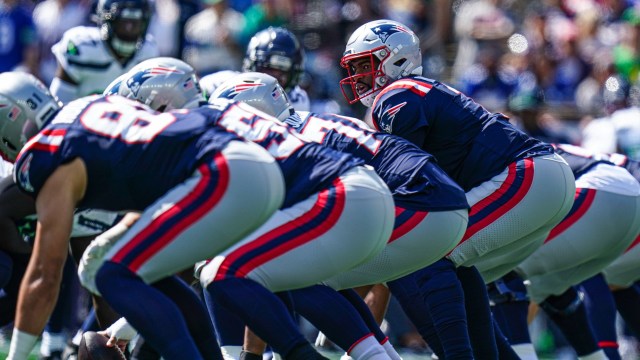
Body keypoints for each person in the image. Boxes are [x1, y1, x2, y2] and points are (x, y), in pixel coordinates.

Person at [94, 58, 396, 360]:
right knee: (245, 266)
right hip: (361, 196)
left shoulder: (195, 133)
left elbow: (187, 254)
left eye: (138, 114)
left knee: (220, 269)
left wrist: (127, 324)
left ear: (160, 105)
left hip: (345, 198)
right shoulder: (216, 120)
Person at [339, 19, 576, 359]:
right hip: (536, 180)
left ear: (397, 59)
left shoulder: (398, 95)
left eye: (366, 64)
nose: (359, 76)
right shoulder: (416, 91)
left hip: (525, 177)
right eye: (355, 67)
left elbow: (400, 183)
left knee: (428, 250)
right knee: (454, 264)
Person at [6, 90, 287, 359]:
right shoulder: (101, 118)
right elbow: (154, 187)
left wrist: (16, 356)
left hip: (221, 172)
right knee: (153, 276)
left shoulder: (52, 152)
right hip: (257, 168)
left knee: (111, 273)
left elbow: (46, 273)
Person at [211, 72, 471, 360]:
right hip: (436, 199)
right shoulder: (317, 122)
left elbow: (276, 262)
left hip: (418, 201)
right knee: (307, 270)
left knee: (291, 268)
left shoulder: (285, 142)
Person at [492, 143, 640, 360]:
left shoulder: (498, 151)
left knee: (500, 271)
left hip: (605, 191)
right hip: (628, 201)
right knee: (552, 286)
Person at [49, 0, 159, 104]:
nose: (129, 30)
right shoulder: (83, 48)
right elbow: (57, 106)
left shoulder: (148, 52)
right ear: (106, 21)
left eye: (135, 24)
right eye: (123, 24)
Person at [199, 26, 310, 111]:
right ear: (251, 65)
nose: (271, 80)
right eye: (267, 70)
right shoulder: (219, 84)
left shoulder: (296, 100)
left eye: (281, 73)